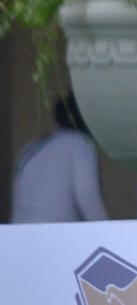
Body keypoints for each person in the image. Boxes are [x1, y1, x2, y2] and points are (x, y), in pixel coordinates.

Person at [10, 93, 109, 223]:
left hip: (19, 232)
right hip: (55, 234)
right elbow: (87, 195)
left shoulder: (34, 145)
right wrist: (105, 229)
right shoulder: (80, 143)